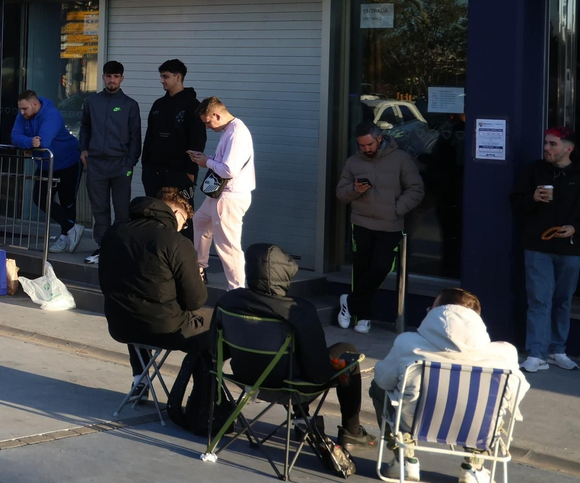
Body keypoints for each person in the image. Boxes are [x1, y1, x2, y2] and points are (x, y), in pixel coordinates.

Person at [214, 243, 375, 452]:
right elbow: (317, 373)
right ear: (285, 274)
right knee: (347, 353)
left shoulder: (228, 301)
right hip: (289, 384)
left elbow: (215, 348)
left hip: (246, 376)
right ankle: (352, 432)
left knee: (291, 356)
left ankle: (303, 418)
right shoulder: (298, 310)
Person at [371, 288, 530, 483]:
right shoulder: (504, 354)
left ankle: (405, 459)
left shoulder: (408, 343)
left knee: (378, 388)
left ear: (435, 312)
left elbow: (383, 381)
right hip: (475, 427)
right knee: (491, 407)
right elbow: (516, 396)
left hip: (417, 421)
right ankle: (474, 466)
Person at [508, 127, 580, 372]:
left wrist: (576, 229)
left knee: (562, 301)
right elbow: (516, 202)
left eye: (553, 144)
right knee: (539, 300)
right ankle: (536, 354)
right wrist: (532, 198)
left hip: (571, 248)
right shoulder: (535, 170)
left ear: (568, 149)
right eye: (546, 143)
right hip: (538, 245)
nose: (546, 148)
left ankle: (557, 350)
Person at [99, 190, 213, 387]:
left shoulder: (113, 233)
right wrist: (197, 279)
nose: (182, 228)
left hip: (120, 326)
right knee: (213, 322)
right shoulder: (176, 242)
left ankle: (139, 379)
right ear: (176, 214)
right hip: (165, 329)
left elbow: (105, 283)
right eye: (184, 223)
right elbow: (195, 300)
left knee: (134, 308)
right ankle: (205, 393)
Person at [334, 122, 424, 333]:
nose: (366, 149)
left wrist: (397, 209)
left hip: (390, 224)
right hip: (362, 222)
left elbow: (416, 189)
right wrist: (355, 190)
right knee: (363, 269)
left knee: (381, 267)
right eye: (362, 145)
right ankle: (364, 317)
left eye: (369, 144)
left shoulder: (400, 159)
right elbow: (341, 192)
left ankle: (350, 302)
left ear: (380, 139)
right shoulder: (353, 162)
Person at [188, 96, 254, 291]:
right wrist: (207, 158)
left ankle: (237, 290)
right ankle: (198, 268)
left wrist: (206, 162)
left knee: (228, 245)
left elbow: (229, 170)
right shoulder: (231, 130)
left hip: (230, 196)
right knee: (200, 222)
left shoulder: (236, 133)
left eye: (208, 122)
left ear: (216, 115)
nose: (208, 127)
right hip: (221, 194)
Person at [79, 60, 141, 265]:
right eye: (108, 76)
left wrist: (130, 163)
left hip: (120, 164)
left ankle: (120, 249)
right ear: (103, 77)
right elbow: (85, 127)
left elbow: (135, 136)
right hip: (96, 163)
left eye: (116, 76)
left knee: (122, 209)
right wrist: (84, 150)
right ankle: (102, 248)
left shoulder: (130, 105)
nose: (112, 80)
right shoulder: (92, 102)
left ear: (122, 78)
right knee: (100, 210)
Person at [12, 89, 82, 254]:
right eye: (20, 109)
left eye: (25, 109)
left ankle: (66, 236)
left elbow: (44, 141)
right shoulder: (23, 115)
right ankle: (72, 228)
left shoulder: (51, 114)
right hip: (45, 164)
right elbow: (14, 136)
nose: (22, 113)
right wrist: (29, 142)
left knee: (67, 202)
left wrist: (29, 146)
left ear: (35, 104)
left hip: (68, 162)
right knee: (40, 198)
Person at [141, 59, 206, 198]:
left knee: (182, 214)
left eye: (165, 76)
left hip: (180, 173)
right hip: (154, 172)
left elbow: (198, 140)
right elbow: (149, 137)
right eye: (161, 76)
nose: (161, 80)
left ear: (178, 77)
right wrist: (145, 167)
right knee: (155, 214)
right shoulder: (158, 105)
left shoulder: (193, 106)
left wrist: (190, 172)